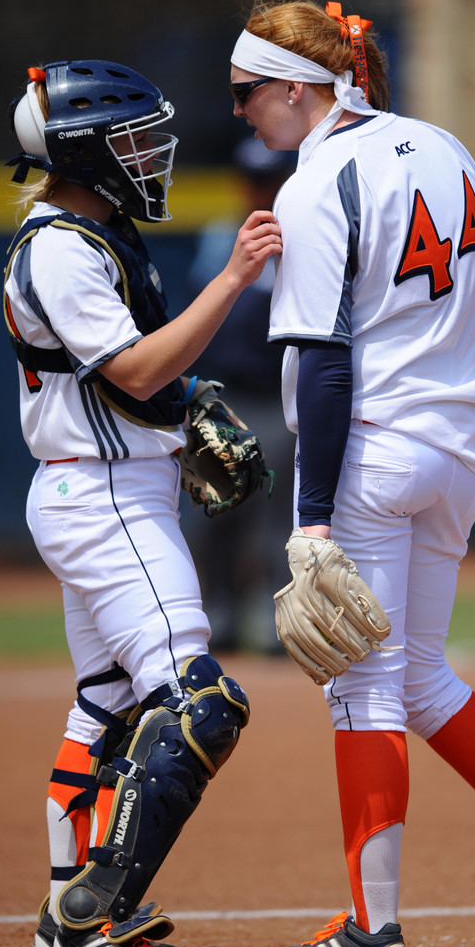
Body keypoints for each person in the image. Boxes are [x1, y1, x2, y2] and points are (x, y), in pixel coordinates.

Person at [228, 0, 475, 947]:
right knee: (419, 674)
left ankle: (370, 931)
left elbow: (329, 361)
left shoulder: (312, 185)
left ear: (299, 89)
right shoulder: (443, 144)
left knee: (363, 688)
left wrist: (308, 521)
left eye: (248, 93)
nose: (243, 113)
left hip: (376, 452)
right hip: (460, 450)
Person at [3, 58, 281, 947]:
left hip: (103, 488)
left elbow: (142, 384)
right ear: (85, 149)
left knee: (107, 706)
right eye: (131, 138)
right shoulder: (60, 247)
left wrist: (192, 400)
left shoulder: (92, 231)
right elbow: (131, 373)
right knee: (201, 703)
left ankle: (62, 914)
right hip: (104, 497)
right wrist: (236, 276)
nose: (149, 152)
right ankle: (93, 916)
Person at [184, 136, 296, 652]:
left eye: (269, 180)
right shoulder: (218, 238)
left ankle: (277, 621)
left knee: (278, 518)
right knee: (216, 515)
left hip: (280, 401)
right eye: (253, 180)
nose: (260, 190)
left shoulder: (303, 237)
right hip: (224, 399)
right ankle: (221, 616)